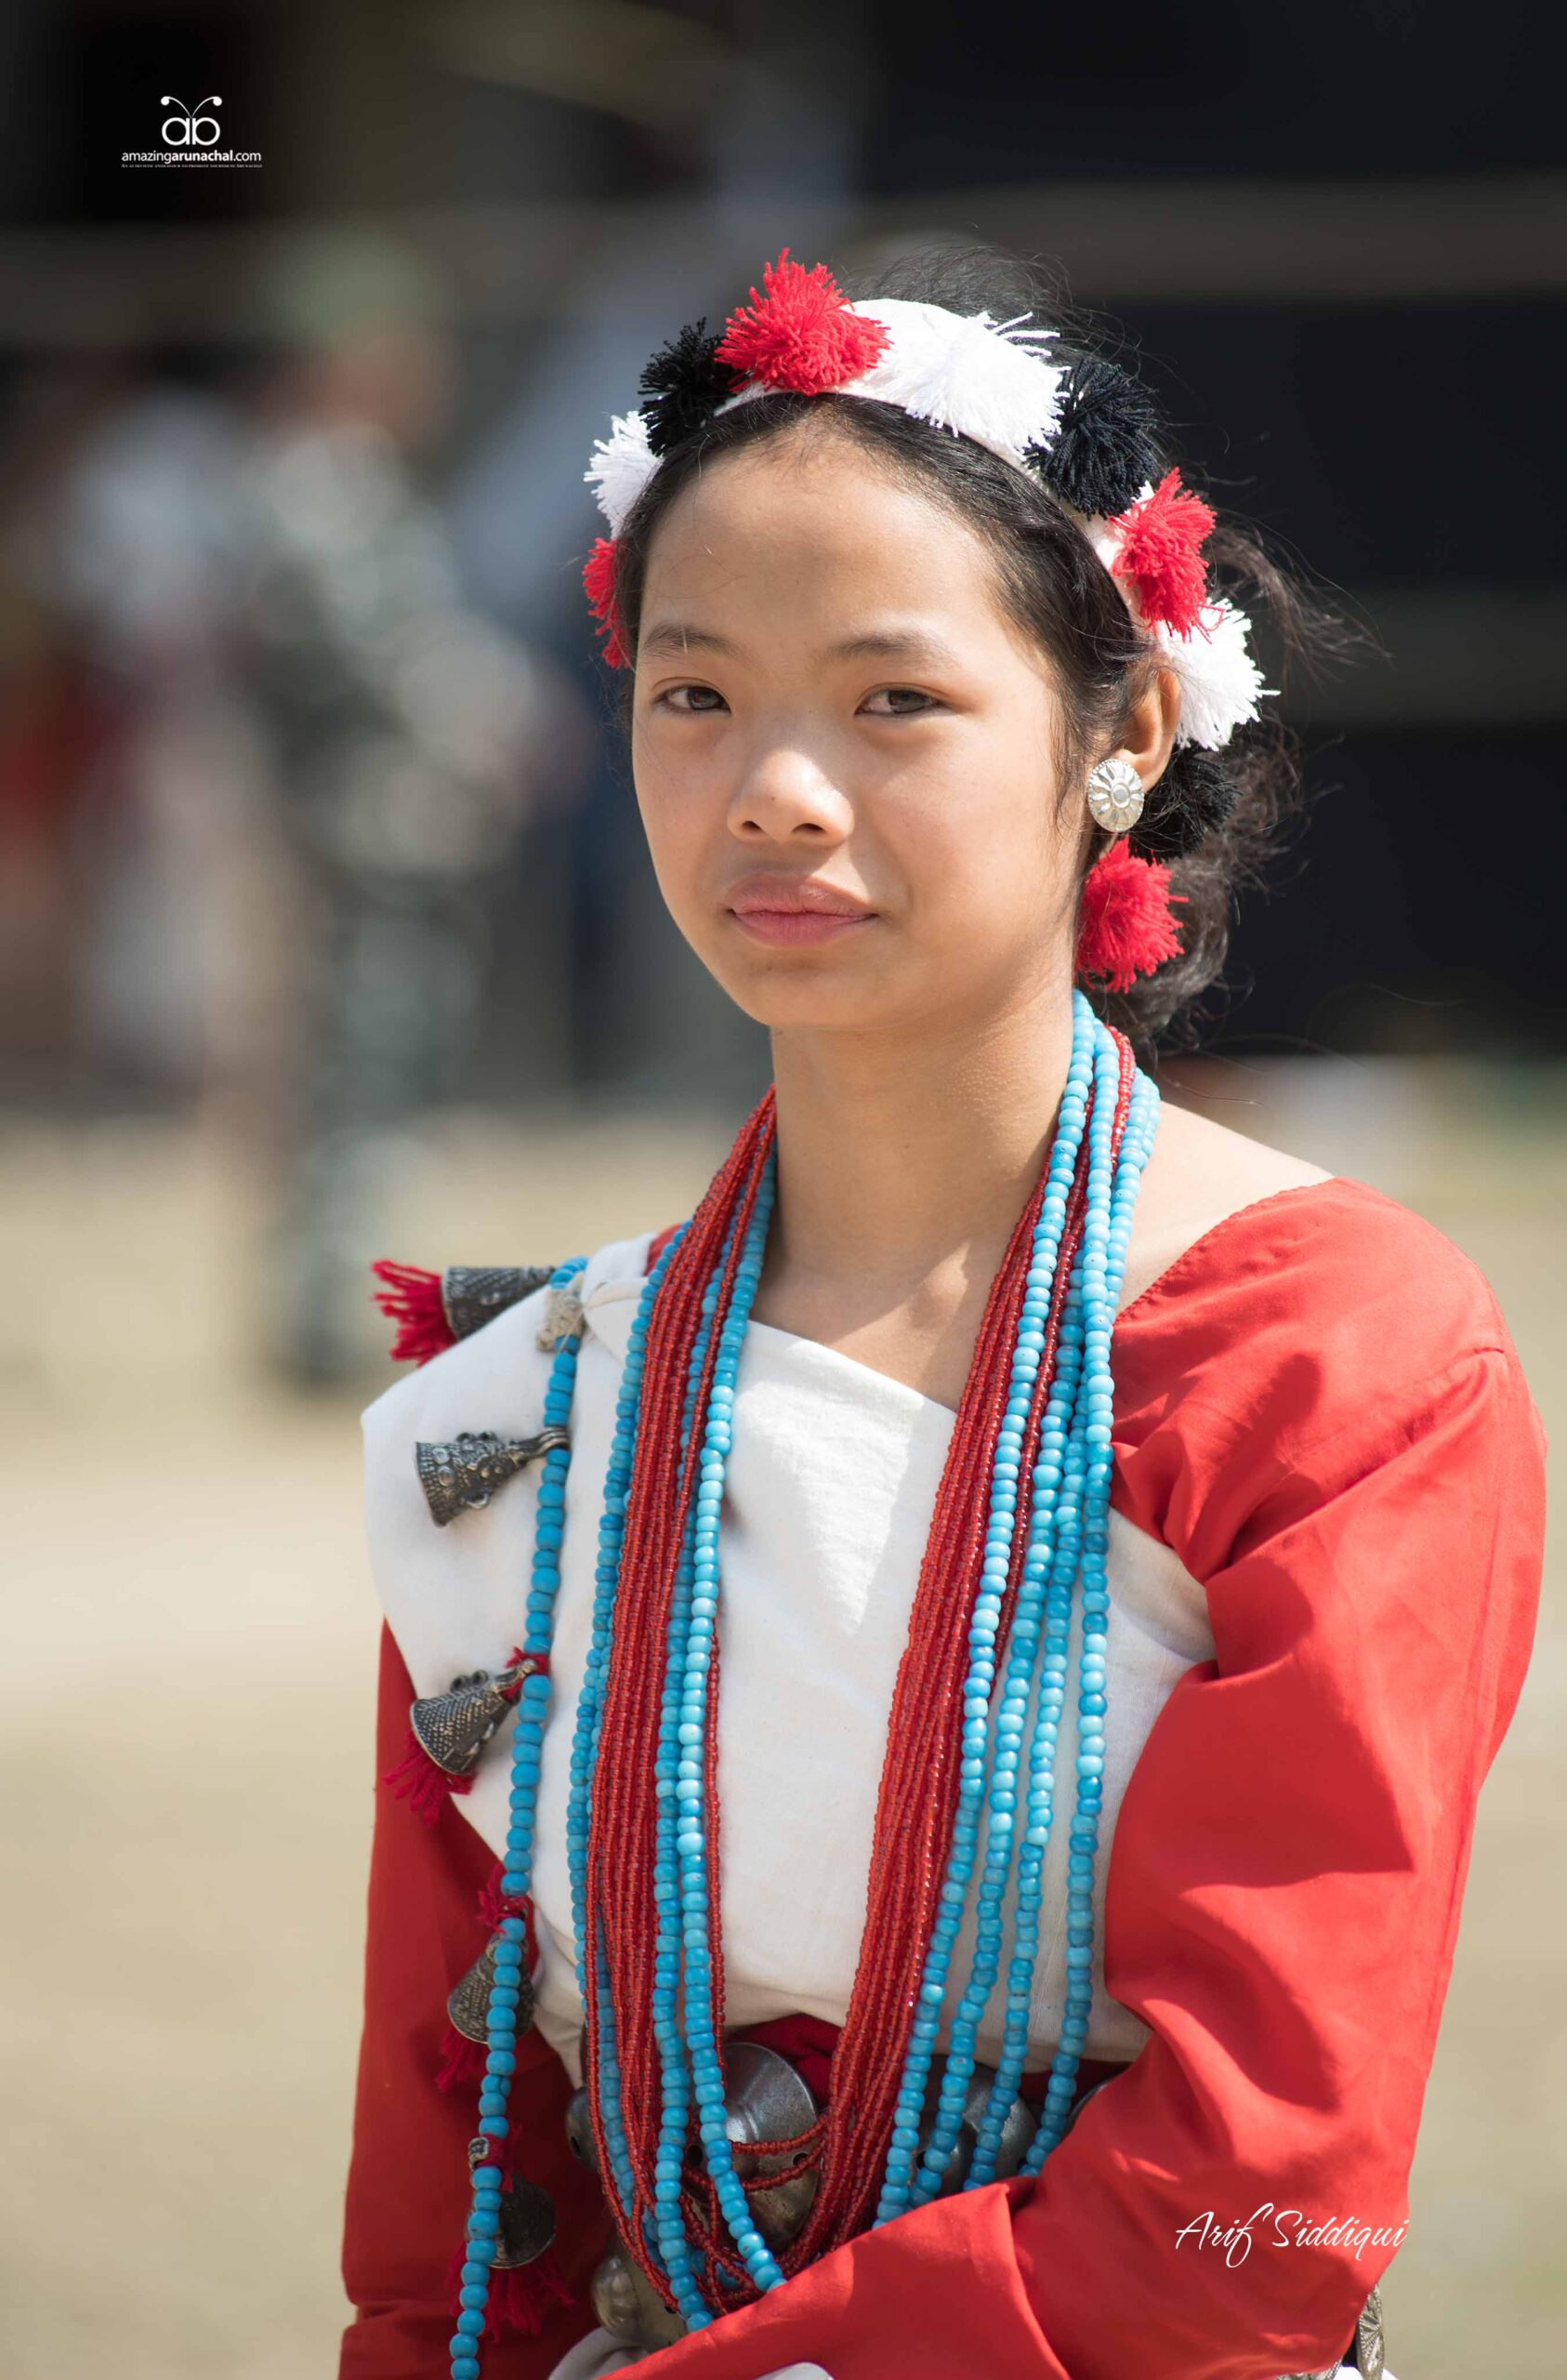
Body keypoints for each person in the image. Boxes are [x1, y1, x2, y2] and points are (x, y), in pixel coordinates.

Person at [337, 245, 1546, 2380]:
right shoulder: (538, 1409)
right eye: (693, 693)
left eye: (893, 698)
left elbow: (1266, 2203)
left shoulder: (1329, 1353)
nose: (775, 790)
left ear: (1125, 728)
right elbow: (453, 2224)